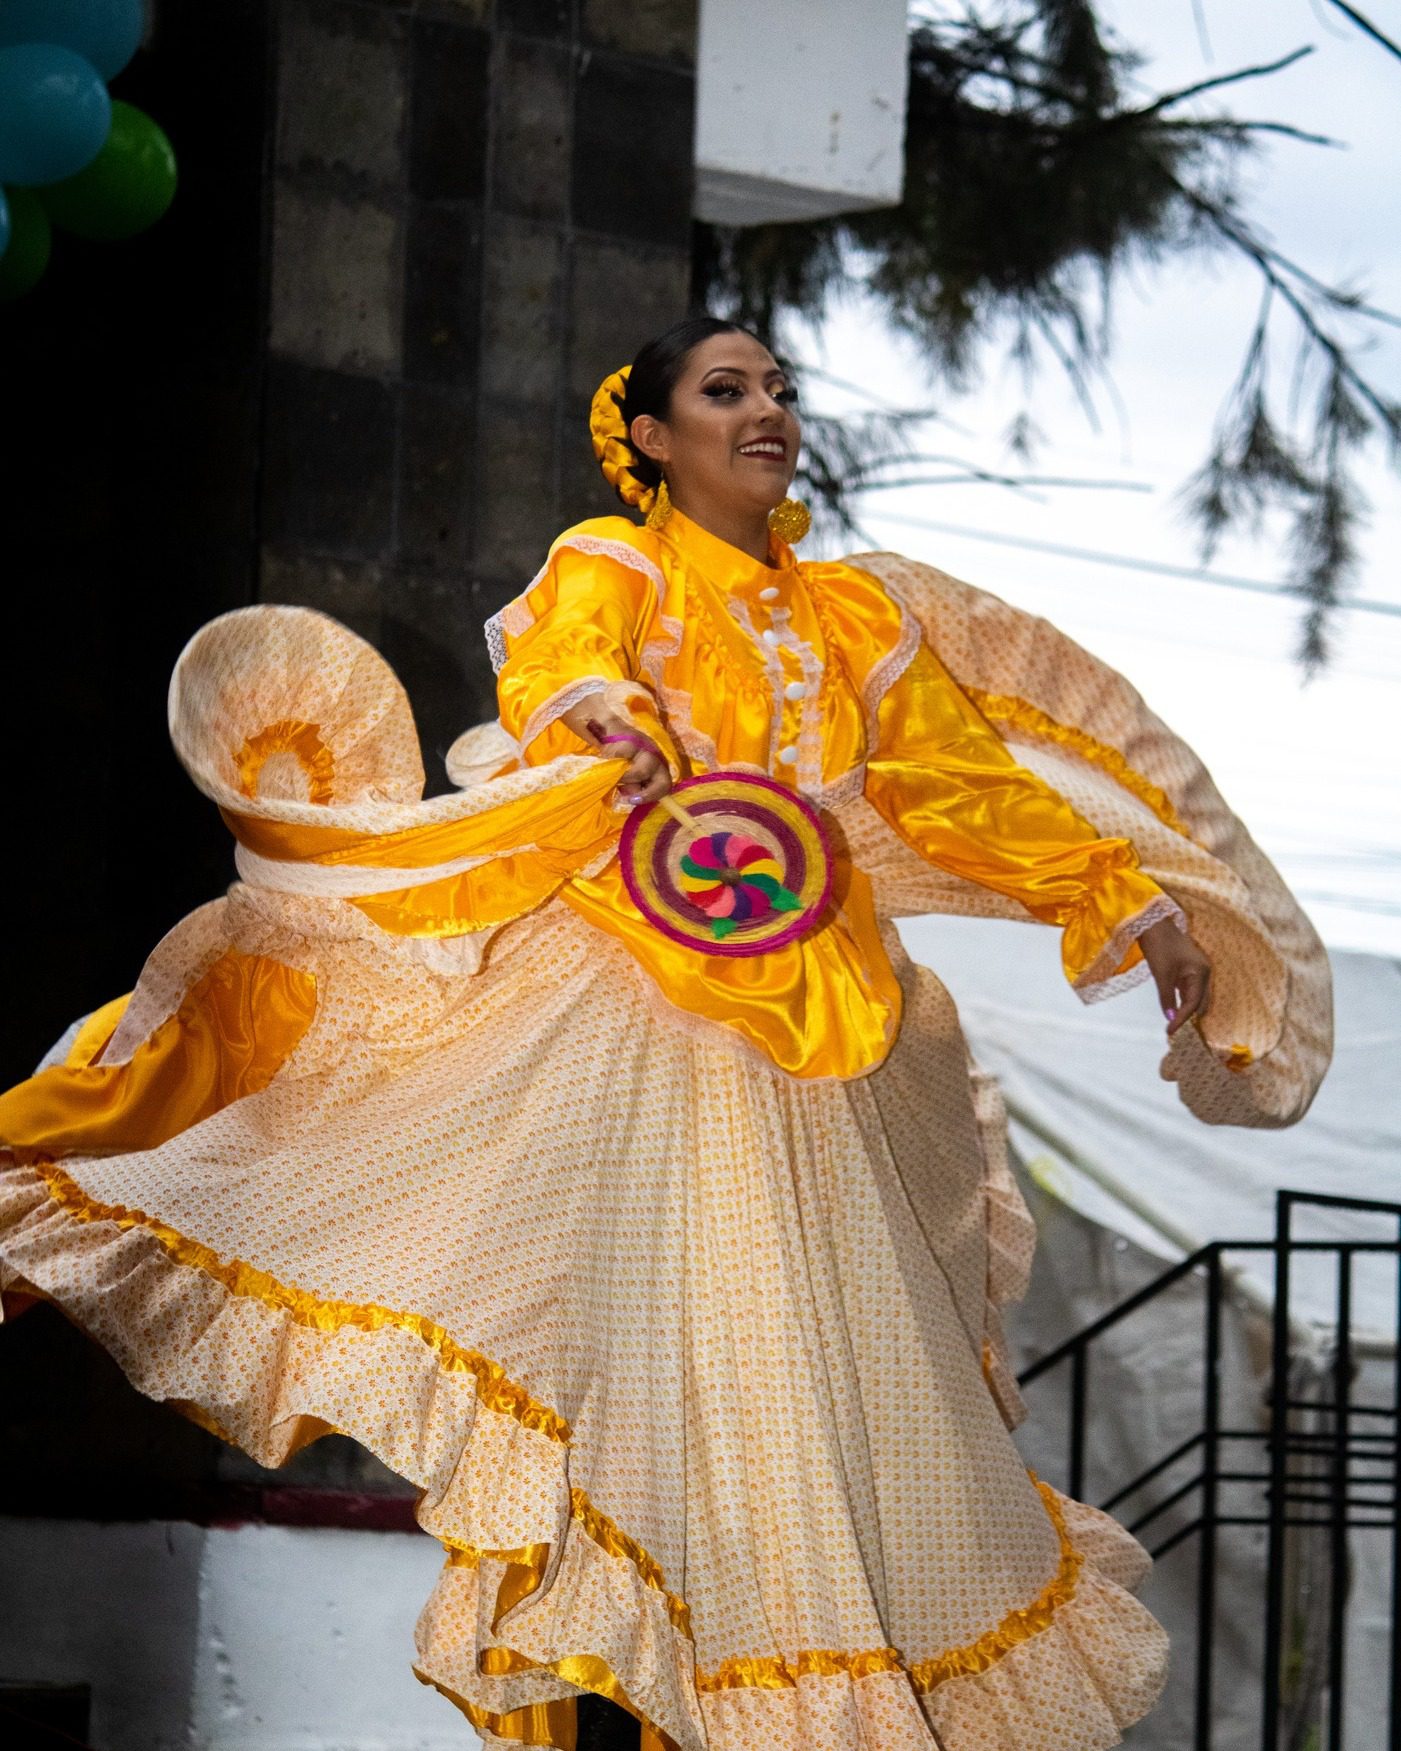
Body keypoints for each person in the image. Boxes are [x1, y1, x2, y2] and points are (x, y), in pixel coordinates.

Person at [0, 315, 1329, 1751]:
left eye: (777, 387)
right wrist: (609, 723)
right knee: (635, 1387)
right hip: (635, 1022)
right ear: (649, 435)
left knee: (804, 1406)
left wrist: (1127, 902)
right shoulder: (614, 563)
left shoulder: (857, 620)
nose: (765, 408)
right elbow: (566, 667)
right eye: (723, 390)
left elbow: (961, 787)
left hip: (829, 1054)